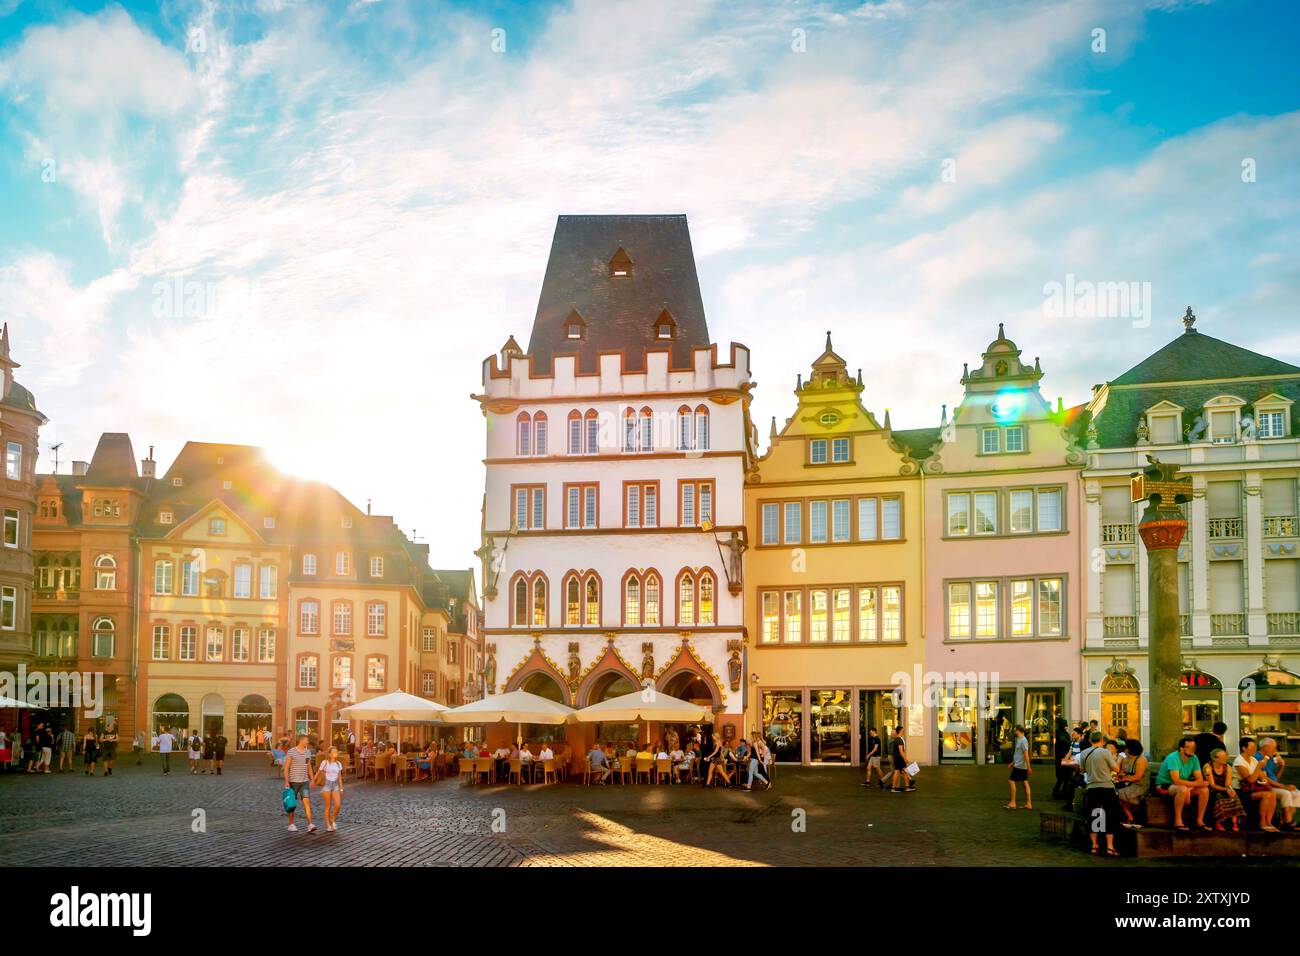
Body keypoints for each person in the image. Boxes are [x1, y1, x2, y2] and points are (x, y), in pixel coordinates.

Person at [1155, 736, 1211, 831]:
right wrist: (1190, 787)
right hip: (1165, 784)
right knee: (1182, 789)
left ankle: (1200, 821)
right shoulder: (1173, 758)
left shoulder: (1194, 758)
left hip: (1184, 785)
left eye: (1194, 747)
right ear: (1181, 748)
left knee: (1204, 790)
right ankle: (1178, 821)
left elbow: (1199, 779)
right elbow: (1176, 780)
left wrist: (1189, 790)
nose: (1192, 750)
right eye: (1189, 747)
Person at [1080, 730, 1121, 857]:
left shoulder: (1084, 753)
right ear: (1102, 740)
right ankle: (1110, 847)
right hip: (1107, 787)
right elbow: (1116, 768)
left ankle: (1094, 846)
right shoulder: (1105, 752)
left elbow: (1082, 769)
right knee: (1110, 815)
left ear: (1090, 740)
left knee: (1094, 814)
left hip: (1092, 787)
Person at [1233, 737, 1280, 832]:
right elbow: (1250, 780)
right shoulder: (1239, 762)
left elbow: (1263, 777)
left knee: (1272, 794)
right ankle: (1262, 822)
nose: (1254, 749)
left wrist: (1268, 785)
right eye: (1252, 747)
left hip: (1253, 788)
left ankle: (1269, 822)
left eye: (1255, 747)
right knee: (1266, 795)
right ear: (1244, 748)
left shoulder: (1253, 759)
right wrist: (1258, 767)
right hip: (1242, 791)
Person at [1257, 738, 1299, 830]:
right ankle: (1288, 822)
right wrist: (1285, 787)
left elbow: (1276, 778)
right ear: (1265, 747)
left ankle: (1286, 819)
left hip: (1274, 785)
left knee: (1296, 793)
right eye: (1274, 748)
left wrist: (1281, 767)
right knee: (1286, 793)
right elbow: (1265, 779)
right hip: (1265, 786)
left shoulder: (1270, 758)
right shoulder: (1258, 758)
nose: (1275, 750)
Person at [1205, 748, 1245, 832]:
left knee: (1234, 796)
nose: (1225, 759)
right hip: (1212, 790)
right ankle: (1219, 821)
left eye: (1225, 756)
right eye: (1222, 757)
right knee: (1219, 797)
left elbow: (1228, 783)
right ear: (1214, 758)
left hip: (1224, 788)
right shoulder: (1208, 767)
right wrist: (1226, 790)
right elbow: (1212, 785)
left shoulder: (1228, 767)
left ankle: (1234, 822)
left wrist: (1230, 790)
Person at [284, 735, 318, 833]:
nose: (307, 742)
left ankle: (310, 824)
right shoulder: (291, 752)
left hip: (304, 782)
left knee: (307, 802)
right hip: (293, 782)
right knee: (291, 804)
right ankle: (291, 824)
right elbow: (286, 767)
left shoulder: (308, 752)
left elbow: (308, 766)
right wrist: (286, 781)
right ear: (301, 741)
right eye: (306, 740)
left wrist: (312, 779)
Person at [1116, 739, 1148, 829]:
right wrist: (1120, 775)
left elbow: (1138, 776)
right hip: (1130, 784)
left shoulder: (1141, 760)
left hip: (1141, 785)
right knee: (1114, 793)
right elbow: (1122, 771)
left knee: (1118, 794)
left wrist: (1123, 779)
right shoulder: (1126, 759)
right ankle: (1130, 817)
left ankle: (1131, 817)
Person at [315, 746, 345, 832]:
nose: (336, 753)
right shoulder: (324, 763)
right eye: (334, 752)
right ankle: (328, 824)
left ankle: (332, 819)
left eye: (336, 752)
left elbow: (339, 777)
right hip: (327, 785)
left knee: (338, 805)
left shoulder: (338, 764)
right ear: (329, 754)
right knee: (328, 805)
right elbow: (318, 772)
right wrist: (313, 781)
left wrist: (341, 788)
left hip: (335, 785)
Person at [1005, 724, 1032, 810]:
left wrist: (1029, 767)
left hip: (1020, 766)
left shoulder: (1023, 741)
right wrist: (1012, 763)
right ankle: (1029, 803)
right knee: (1025, 782)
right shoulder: (1020, 740)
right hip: (1020, 765)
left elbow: (1026, 754)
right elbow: (1018, 754)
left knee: (1011, 781)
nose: (1014, 732)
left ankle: (1013, 802)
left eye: (1015, 730)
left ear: (1017, 730)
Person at [1050, 718, 1072, 800]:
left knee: (1062, 777)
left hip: (1060, 757)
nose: (1066, 726)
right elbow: (1065, 742)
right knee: (1064, 776)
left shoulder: (1058, 732)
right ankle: (1060, 792)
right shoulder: (1063, 734)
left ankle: (1058, 792)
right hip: (1063, 757)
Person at [889, 726, 913, 793]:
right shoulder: (899, 740)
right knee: (897, 772)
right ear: (900, 731)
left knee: (904, 772)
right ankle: (893, 788)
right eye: (903, 730)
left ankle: (907, 787)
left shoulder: (896, 739)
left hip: (898, 758)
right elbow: (901, 751)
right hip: (899, 759)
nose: (904, 731)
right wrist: (905, 759)